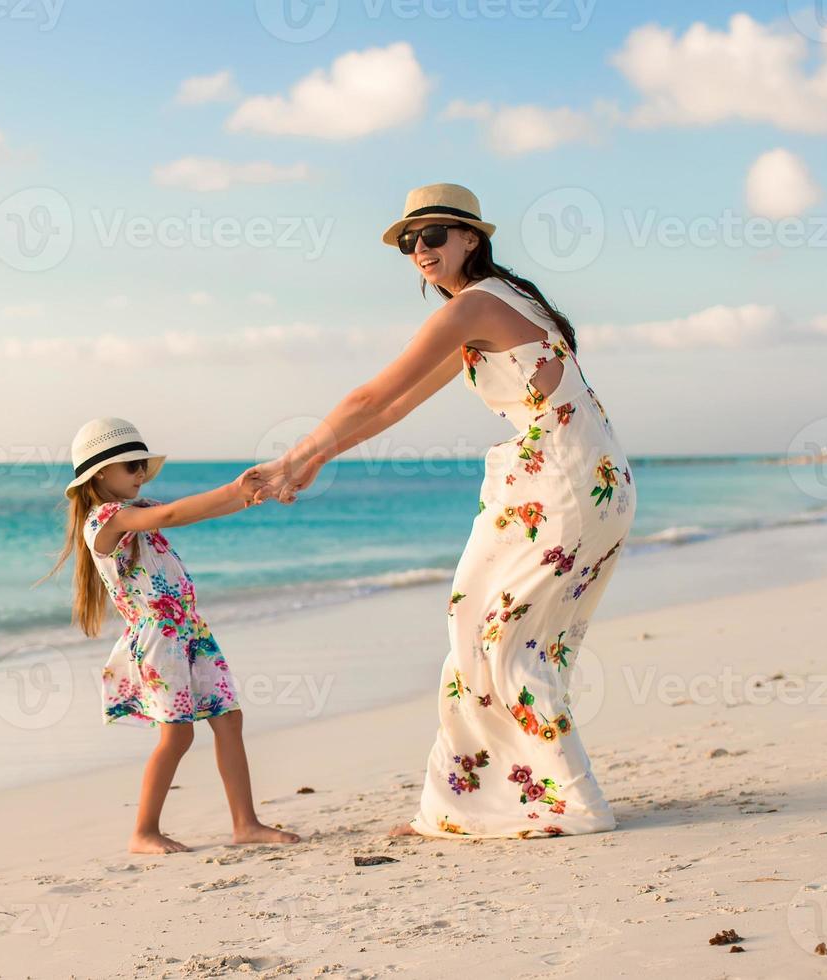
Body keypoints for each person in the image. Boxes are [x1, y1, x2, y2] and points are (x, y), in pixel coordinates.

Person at [246, 183, 637, 838]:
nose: (419, 250)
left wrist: (294, 460)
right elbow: (394, 407)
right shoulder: (494, 305)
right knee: (493, 636)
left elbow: (373, 392)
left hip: (562, 483)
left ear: (470, 240)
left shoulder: (473, 307)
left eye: (432, 236)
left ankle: (568, 805)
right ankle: (474, 804)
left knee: (501, 643)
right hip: (577, 479)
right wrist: (314, 460)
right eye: (408, 241)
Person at [42, 417, 319, 853]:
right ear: (100, 474)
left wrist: (254, 496)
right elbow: (173, 514)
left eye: (141, 466)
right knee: (178, 734)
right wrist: (234, 488)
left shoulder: (136, 511)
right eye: (131, 466)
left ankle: (245, 823)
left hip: (190, 631)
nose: (139, 474)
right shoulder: (106, 520)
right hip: (159, 640)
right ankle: (143, 831)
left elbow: (197, 511)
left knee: (229, 719)